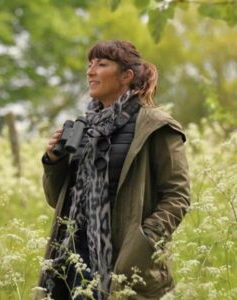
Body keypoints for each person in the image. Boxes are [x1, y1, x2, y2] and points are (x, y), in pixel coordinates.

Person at [35, 40, 190, 300]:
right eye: (90, 65)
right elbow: (56, 201)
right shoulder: (83, 128)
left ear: (126, 77)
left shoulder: (155, 126)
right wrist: (53, 161)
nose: (90, 71)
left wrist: (144, 242)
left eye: (101, 64)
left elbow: (178, 196)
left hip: (127, 263)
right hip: (73, 263)